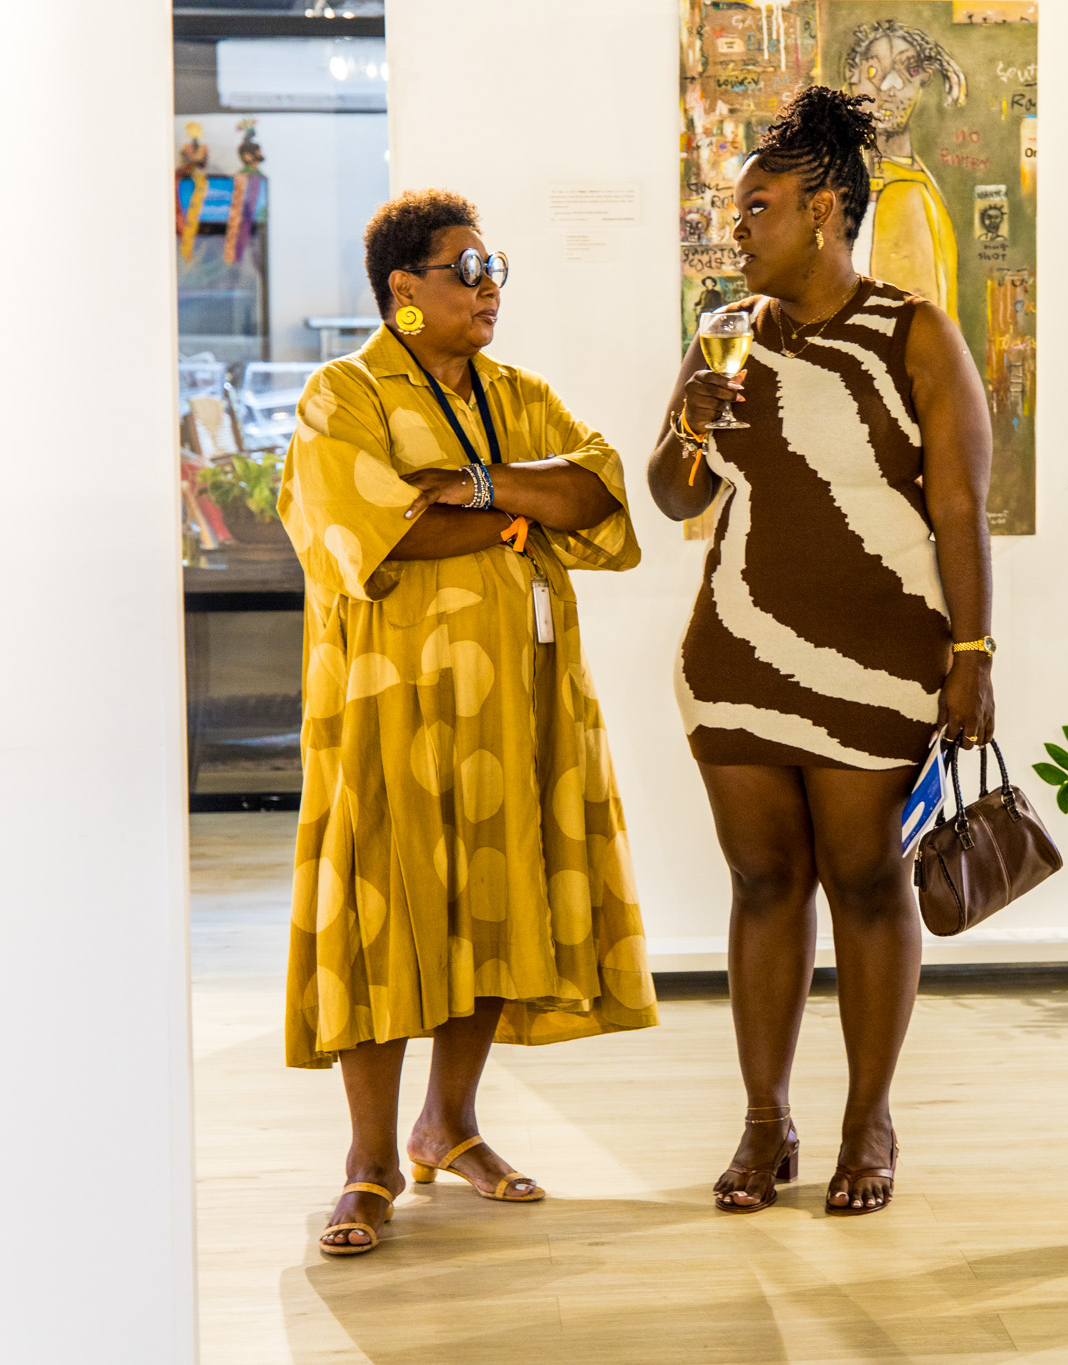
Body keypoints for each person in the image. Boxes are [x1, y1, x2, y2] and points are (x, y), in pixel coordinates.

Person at [279, 188, 657, 1257]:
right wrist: (511, 519)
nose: (491, 287)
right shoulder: (342, 396)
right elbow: (376, 534)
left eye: (496, 269)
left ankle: (447, 1125)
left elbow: (596, 494)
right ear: (406, 288)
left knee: (487, 900)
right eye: (470, 268)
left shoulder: (515, 395)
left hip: (515, 699)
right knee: (384, 910)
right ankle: (366, 1162)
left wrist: (475, 487)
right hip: (390, 706)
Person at [647, 86, 995, 1217]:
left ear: (825, 210)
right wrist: (690, 421)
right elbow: (673, 496)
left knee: (865, 879)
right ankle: (764, 1121)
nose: (737, 227)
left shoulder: (914, 334)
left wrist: (972, 651)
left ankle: (867, 1120)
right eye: (735, 209)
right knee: (761, 882)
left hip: (879, 659)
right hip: (738, 652)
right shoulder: (725, 335)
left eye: (758, 207)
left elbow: (959, 508)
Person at [844, 19, 965, 322]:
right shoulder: (855, 181)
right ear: (852, 75)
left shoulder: (906, 191)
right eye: (874, 71)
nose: (889, 87)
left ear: (923, 81)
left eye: (907, 72)